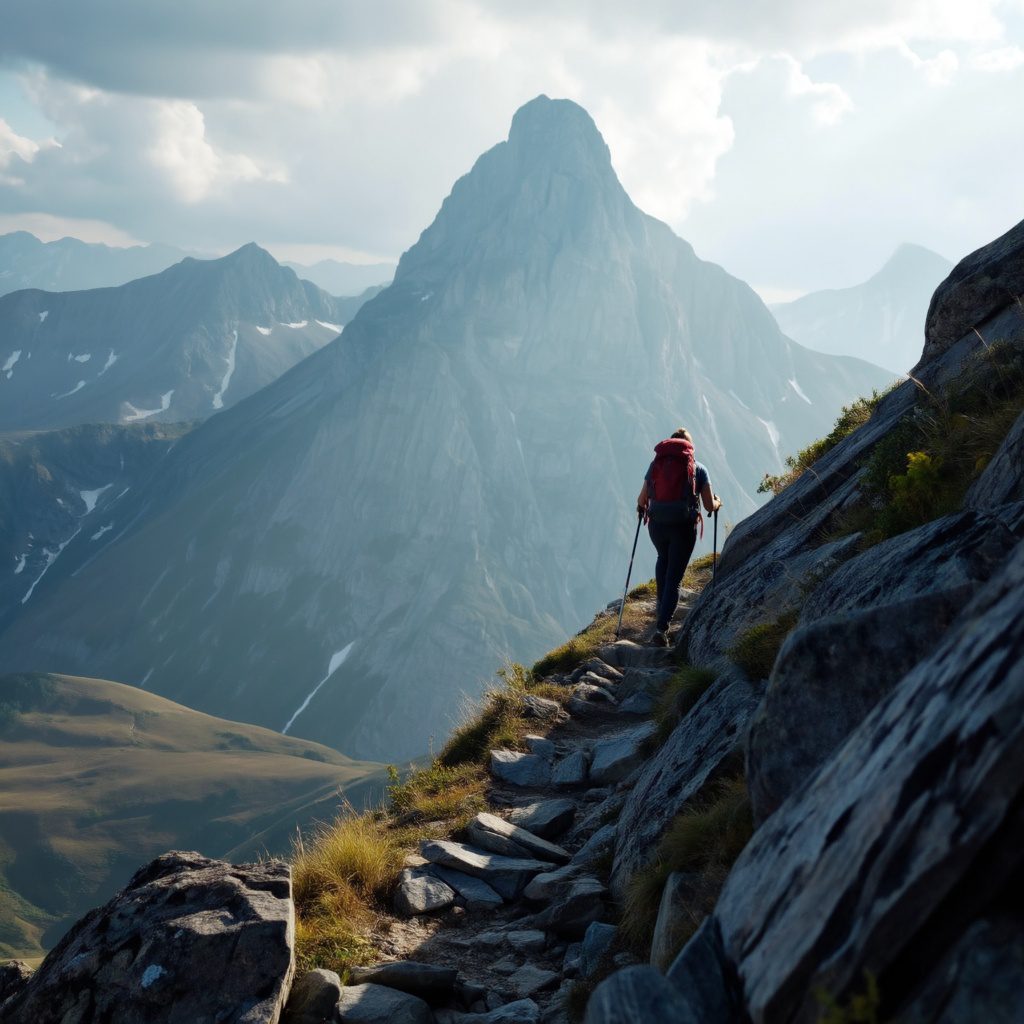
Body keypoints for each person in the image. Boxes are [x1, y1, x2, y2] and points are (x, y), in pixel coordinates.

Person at [636, 428, 722, 646]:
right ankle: (661, 629)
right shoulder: (699, 469)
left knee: (662, 559)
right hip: (682, 527)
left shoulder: (656, 464)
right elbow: (709, 505)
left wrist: (644, 508)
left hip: (657, 525)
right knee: (674, 577)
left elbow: (642, 499)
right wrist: (718, 502)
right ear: (690, 447)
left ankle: (660, 609)